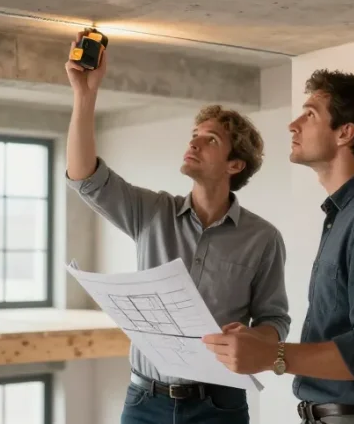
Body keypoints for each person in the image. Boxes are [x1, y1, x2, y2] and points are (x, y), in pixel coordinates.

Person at [63, 30, 291, 424]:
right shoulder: (152, 212)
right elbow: (85, 178)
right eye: (194, 136)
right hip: (143, 402)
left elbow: (275, 319)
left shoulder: (263, 238)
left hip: (219, 406)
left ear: (235, 165)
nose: (195, 144)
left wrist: (256, 339)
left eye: (211, 140)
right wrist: (85, 95)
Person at [203, 69, 354, 424]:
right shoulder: (350, 213)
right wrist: (263, 348)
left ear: (345, 132)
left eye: (309, 114)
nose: (293, 125)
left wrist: (272, 355)